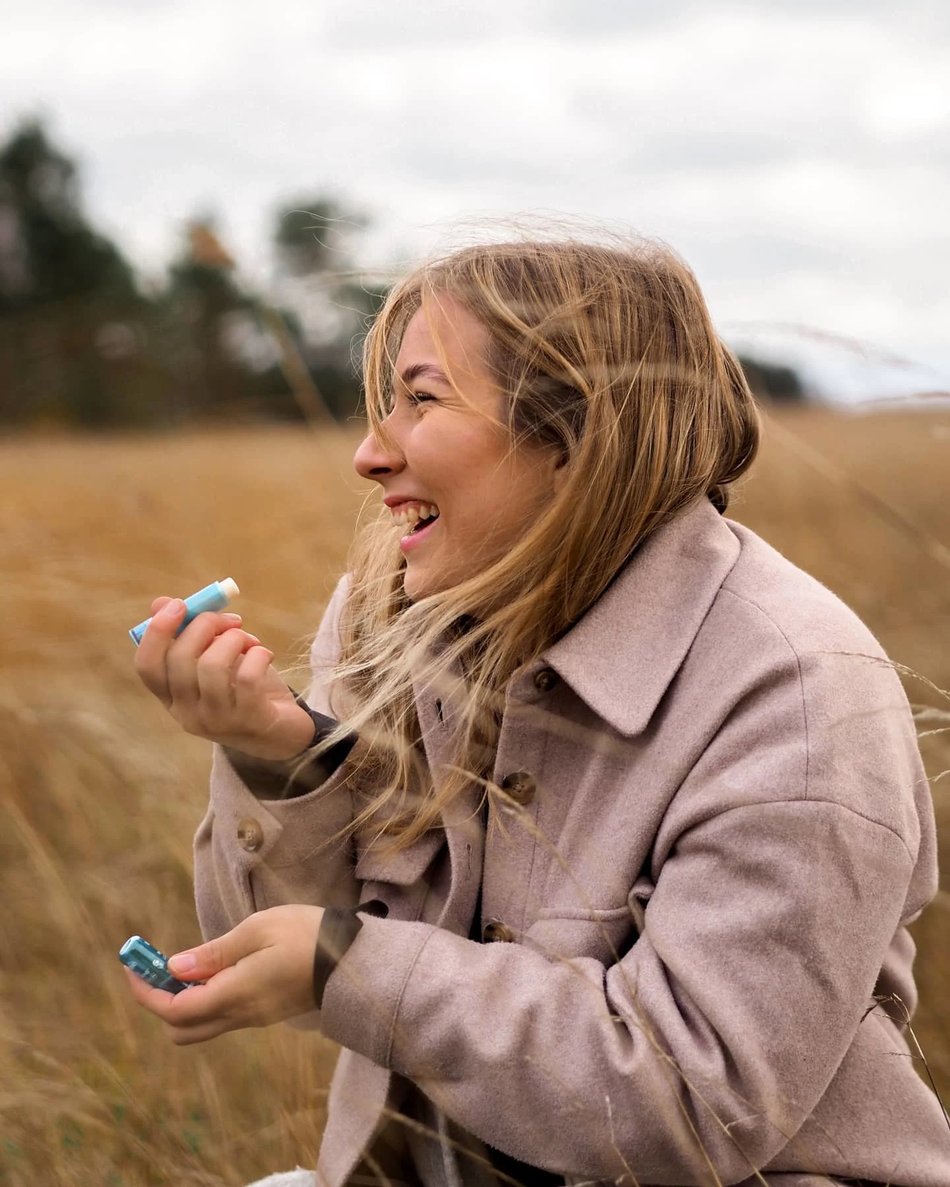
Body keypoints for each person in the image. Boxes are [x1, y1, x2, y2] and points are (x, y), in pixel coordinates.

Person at [127, 237, 948, 1187]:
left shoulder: (799, 691)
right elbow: (277, 951)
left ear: (577, 436)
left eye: (422, 399)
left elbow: (690, 1105)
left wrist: (350, 965)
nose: (369, 451)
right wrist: (276, 753)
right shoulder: (390, 615)